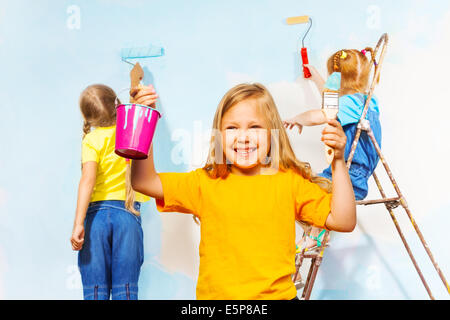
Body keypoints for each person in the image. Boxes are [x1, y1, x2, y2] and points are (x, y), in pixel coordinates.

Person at [131, 82, 356, 300]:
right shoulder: (205, 182)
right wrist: (144, 119)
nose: (243, 137)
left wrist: (337, 160)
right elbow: (144, 181)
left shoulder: (289, 182)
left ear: (272, 133)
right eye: (232, 128)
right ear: (218, 135)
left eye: (255, 127)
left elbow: (343, 220)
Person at [284, 48, 382, 254]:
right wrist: (316, 77)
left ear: (336, 79)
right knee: (306, 192)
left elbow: (322, 114)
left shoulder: (346, 104)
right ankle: (313, 233)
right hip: (355, 173)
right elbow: (330, 98)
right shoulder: (366, 102)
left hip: (348, 176)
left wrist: (298, 118)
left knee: (307, 193)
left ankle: (313, 235)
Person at [70, 84, 153, 300]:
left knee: (95, 290)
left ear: (88, 117)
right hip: (128, 213)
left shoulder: (91, 140)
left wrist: (78, 224)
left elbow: (87, 181)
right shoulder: (130, 131)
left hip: (95, 219)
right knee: (125, 290)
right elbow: (144, 121)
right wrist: (136, 101)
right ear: (117, 104)